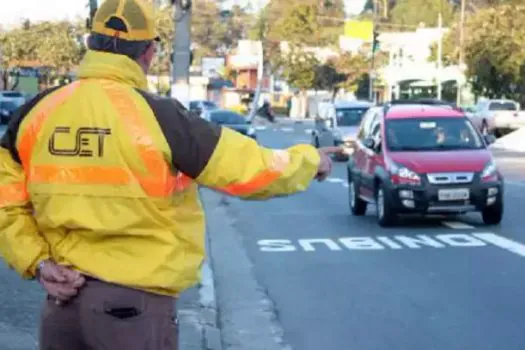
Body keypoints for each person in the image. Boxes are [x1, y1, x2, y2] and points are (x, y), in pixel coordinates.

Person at [0, 0, 342, 349]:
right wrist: (309, 161)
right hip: (133, 312)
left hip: (61, 307)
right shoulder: (159, 117)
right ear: (148, 53)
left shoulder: (35, 114)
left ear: (91, 44)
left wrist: (37, 261)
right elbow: (248, 169)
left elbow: (5, 202)